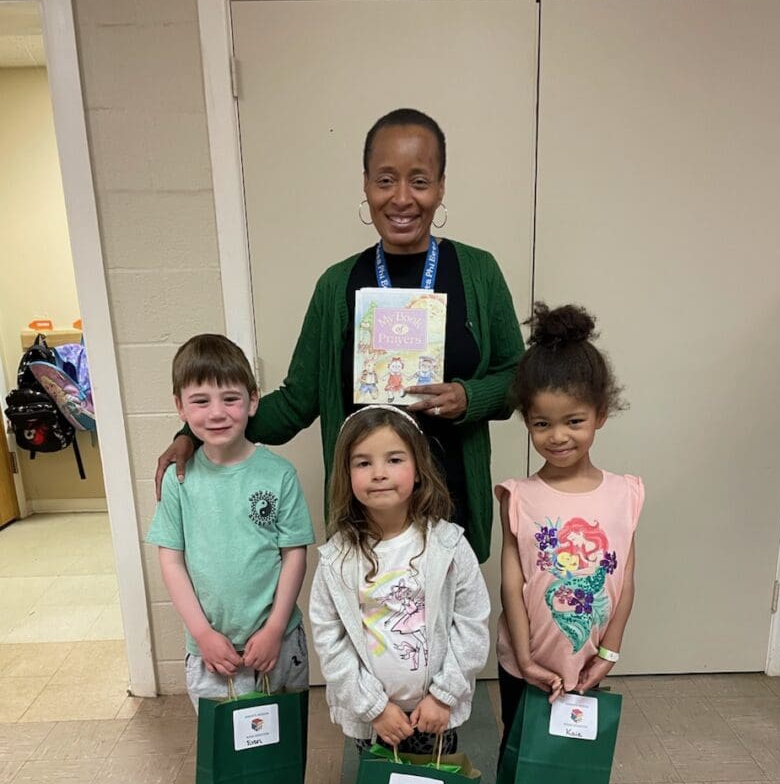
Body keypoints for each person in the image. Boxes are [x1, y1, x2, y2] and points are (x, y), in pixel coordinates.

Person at [155, 108, 525, 563]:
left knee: (451, 633)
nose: (402, 198)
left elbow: (518, 379)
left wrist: (470, 397)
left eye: (420, 181)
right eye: (386, 180)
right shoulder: (337, 285)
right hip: (364, 518)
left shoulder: (478, 272)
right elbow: (297, 400)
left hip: (451, 509)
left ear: (441, 186)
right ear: (366, 185)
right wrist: (194, 431)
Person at [309, 405, 490, 784]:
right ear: (347, 476)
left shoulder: (449, 546)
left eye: (393, 459)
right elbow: (330, 640)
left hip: (435, 713)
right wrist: (373, 708)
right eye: (363, 463)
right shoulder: (337, 558)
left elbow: (471, 624)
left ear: (418, 469)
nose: (380, 472)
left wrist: (444, 695)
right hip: (377, 719)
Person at [146, 334, 314, 784]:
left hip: (275, 641)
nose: (216, 413)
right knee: (229, 734)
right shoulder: (180, 478)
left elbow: (294, 555)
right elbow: (171, 560)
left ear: (253, 400)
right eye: (200, 401)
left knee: (275, 729)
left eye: (230, 398)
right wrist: (201, 634)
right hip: (212, 644)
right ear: (179, 408)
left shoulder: (277, 475)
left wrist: (272, 628)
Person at [496, 304, 644, 784]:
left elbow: (626, 581)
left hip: (585, 657)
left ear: (600, 416)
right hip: (526, 658)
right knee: (518, 743)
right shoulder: (519, 495)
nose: (558, 437)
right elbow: (510, 585)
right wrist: (527, 655)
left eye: (573, 421)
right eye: (541, 424)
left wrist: (607, 652)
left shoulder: (624, 494)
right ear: (527, 424)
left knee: (570, 745)